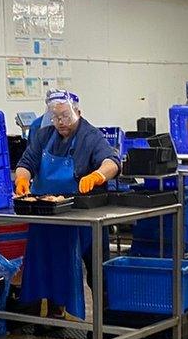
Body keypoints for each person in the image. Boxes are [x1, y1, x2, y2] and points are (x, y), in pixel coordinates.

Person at [14, 89, 121, 322]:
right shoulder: (44, 135)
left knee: (97, 272)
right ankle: (54, 317)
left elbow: (112, 161)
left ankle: (106, 321)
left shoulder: (90, 136)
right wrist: (22, 178)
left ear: (78, 112)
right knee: (49, 268)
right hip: (49, 216)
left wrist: (98, 176)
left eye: (65, 116)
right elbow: (26, 162)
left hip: (83, 217)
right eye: (56, 117)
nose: (61, 123)